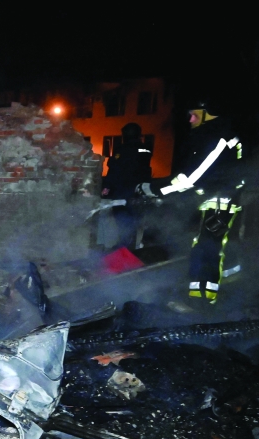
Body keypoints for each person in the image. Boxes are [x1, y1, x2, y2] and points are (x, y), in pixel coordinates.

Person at [138, 99, 245, 304]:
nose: (190, 119)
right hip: (219, 198)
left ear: (208, 112)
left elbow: (191, 177)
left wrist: (155, 190)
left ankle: (203, 298)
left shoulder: (217, 137)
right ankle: (223, 292)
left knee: (207, 247)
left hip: (219, 201)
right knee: (219, 245)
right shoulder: (216, 134)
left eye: (194, 114)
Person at [101, 122, 152, 249]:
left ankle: (123, 250)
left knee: (123, 222)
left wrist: (106, 187)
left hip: (123, 192)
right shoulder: (145, 149)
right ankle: (132, 249)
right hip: (140, 192)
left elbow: (115, 170)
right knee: (135, 223)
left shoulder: (122, 150)